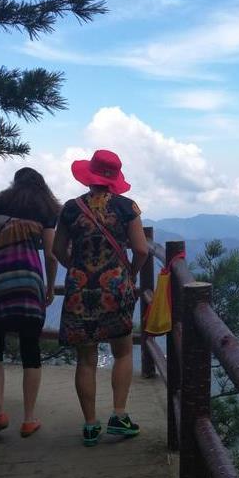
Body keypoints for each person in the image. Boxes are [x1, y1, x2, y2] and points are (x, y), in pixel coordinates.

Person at [53, 149, 148, 446]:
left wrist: (76, 269)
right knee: (122, 351)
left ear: (90, 175)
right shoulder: (126, 207)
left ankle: (91, 425)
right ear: (114, 178)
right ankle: (119, 416)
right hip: (115, 288)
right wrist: (129, 272)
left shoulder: (70, 209)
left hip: (80, 289)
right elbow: (142, 250)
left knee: (86, 358)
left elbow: (57, 249)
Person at [0, 167, 59, 437]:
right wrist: (50, 286)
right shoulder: (45, 211)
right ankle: (29, 418)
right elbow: (52, 255)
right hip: (30, 284)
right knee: (30, 349)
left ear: (14, 183)